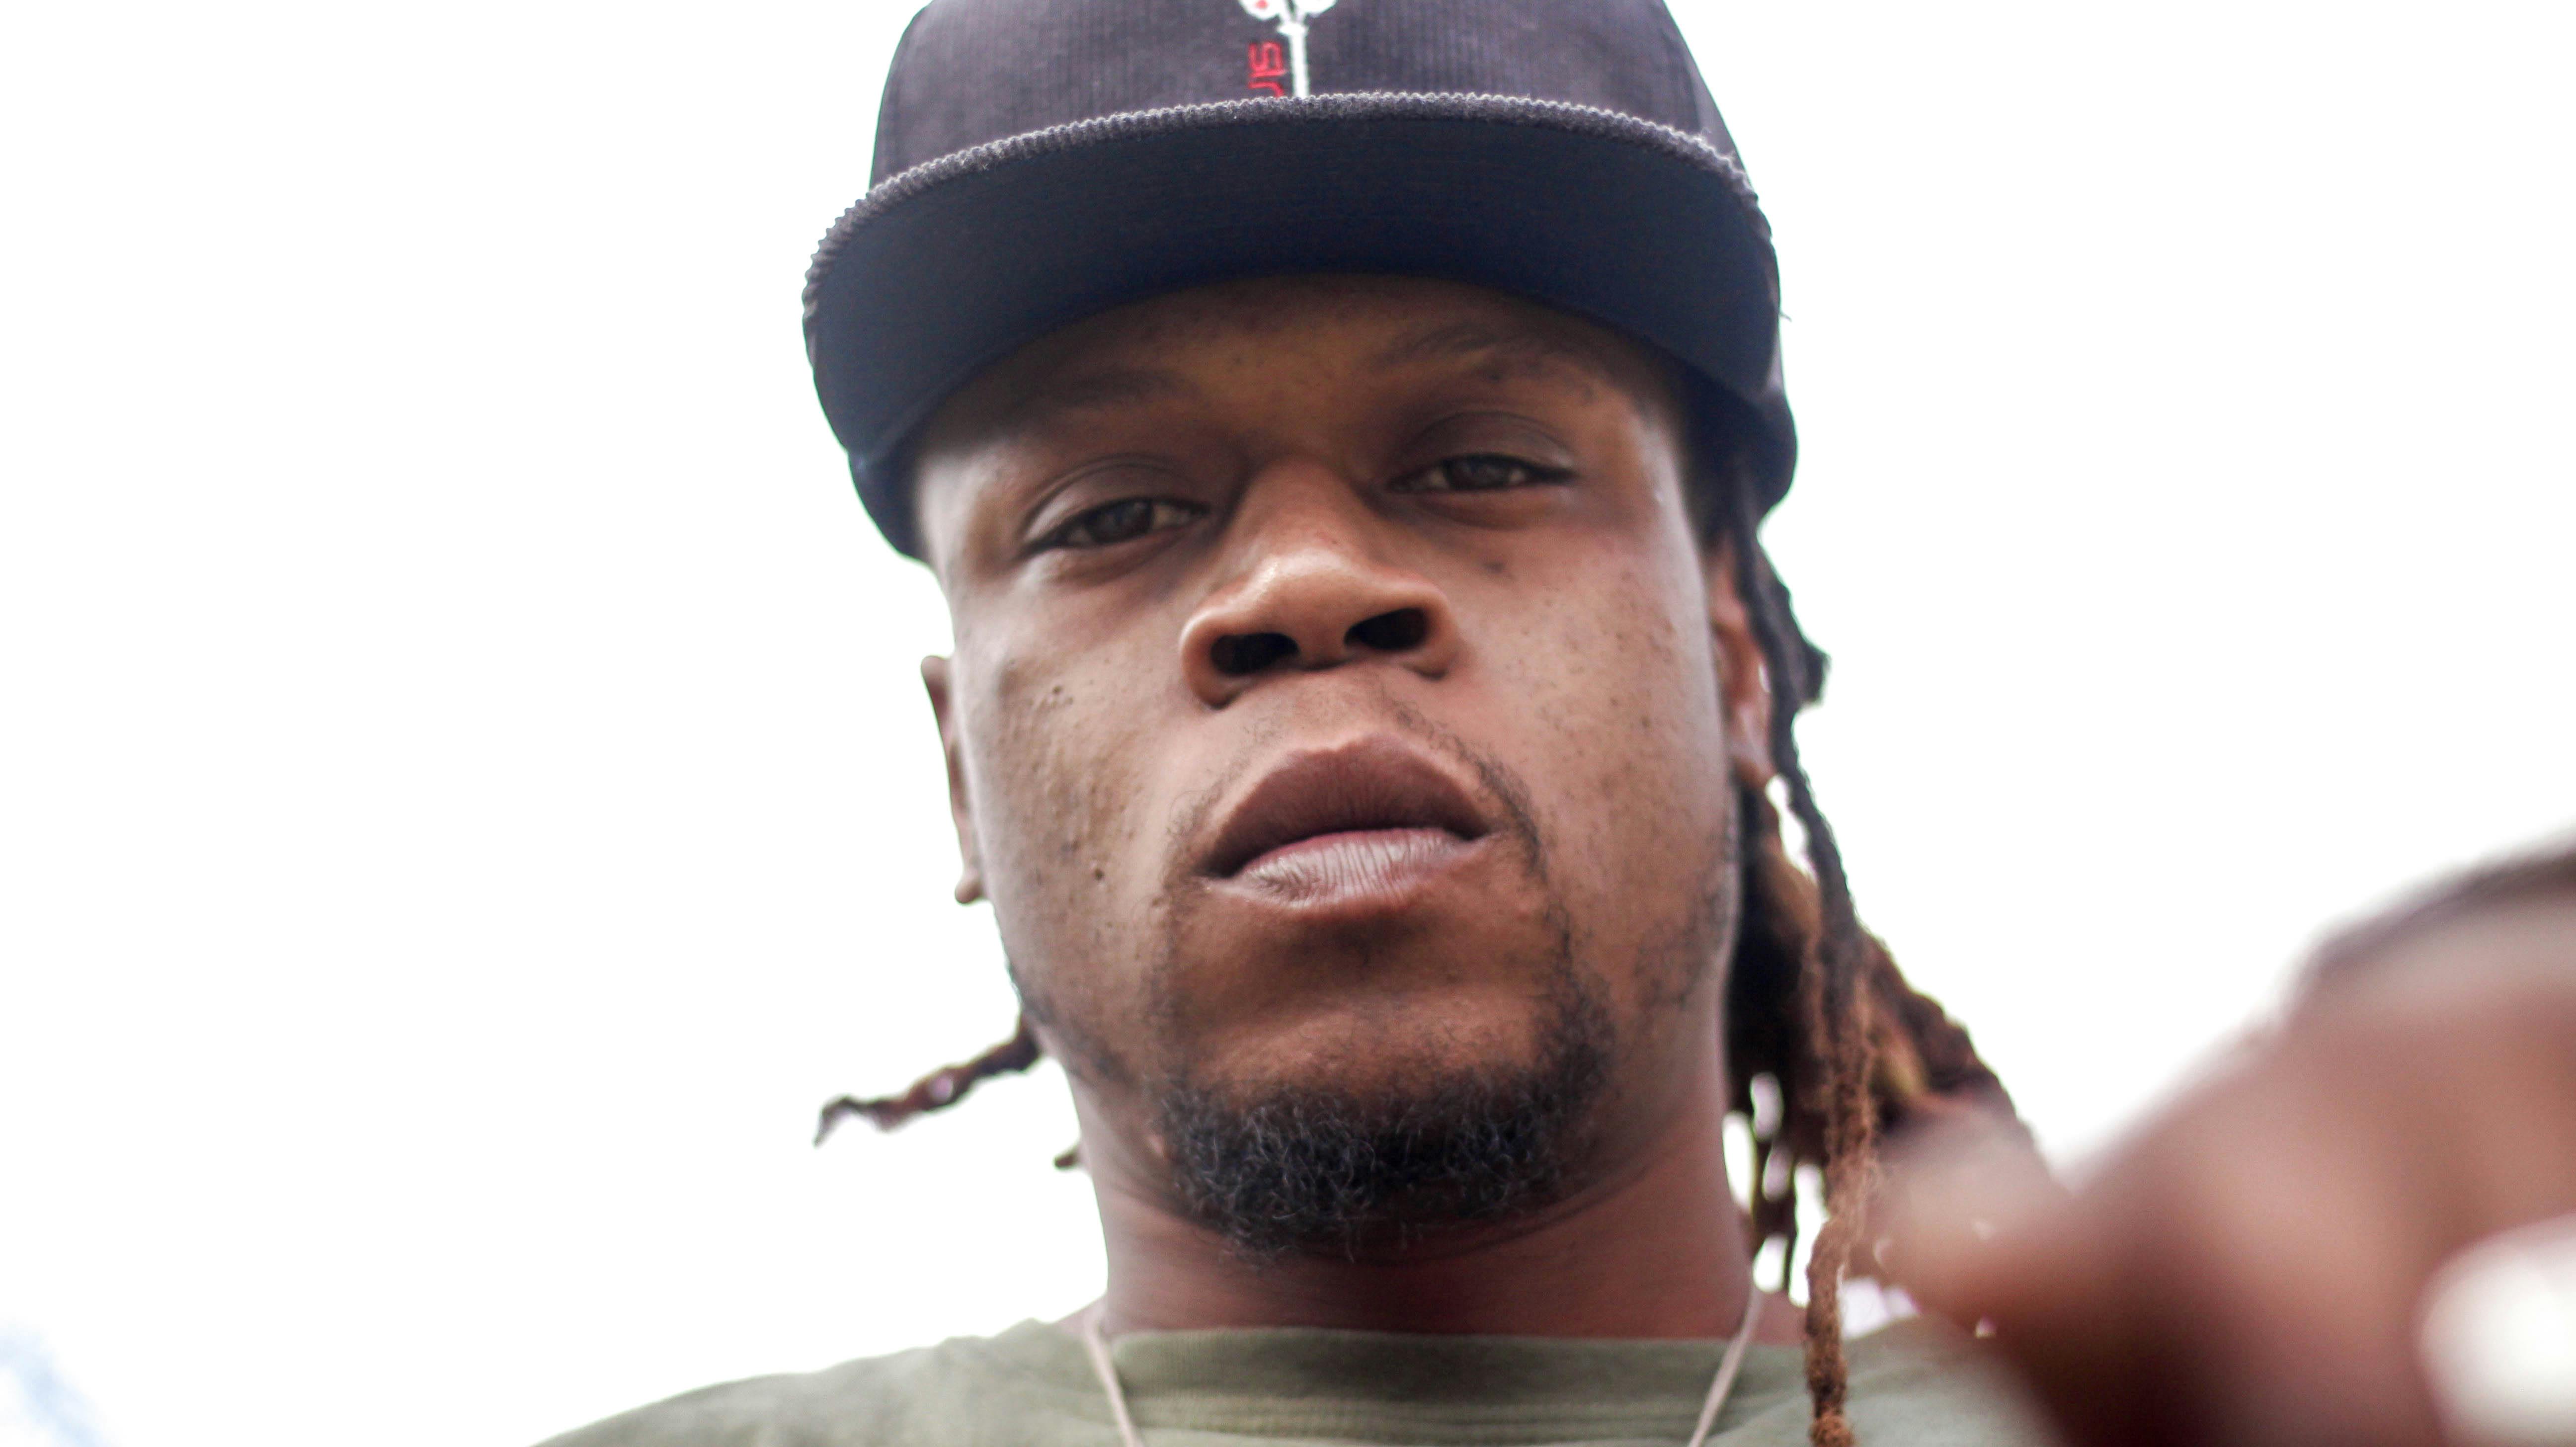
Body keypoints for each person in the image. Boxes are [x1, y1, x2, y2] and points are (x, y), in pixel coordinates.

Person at [541, 1, 2576, 1443]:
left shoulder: (2262, 1411)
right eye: (1112, 514)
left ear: (1737, 651)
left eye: (1484, 462)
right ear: (956, 771)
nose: (1300, 583)